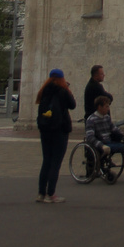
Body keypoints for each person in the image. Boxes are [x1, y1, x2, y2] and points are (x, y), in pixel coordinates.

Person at [35, 68, 76, 203]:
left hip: (45, 129)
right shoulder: (63, 91)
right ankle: (51, 194)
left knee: (46, 160)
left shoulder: (43, 91)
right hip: (59, 130)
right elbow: (72, 105)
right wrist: (68, 90)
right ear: (61, 78)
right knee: (55, 162)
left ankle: (41, 193)